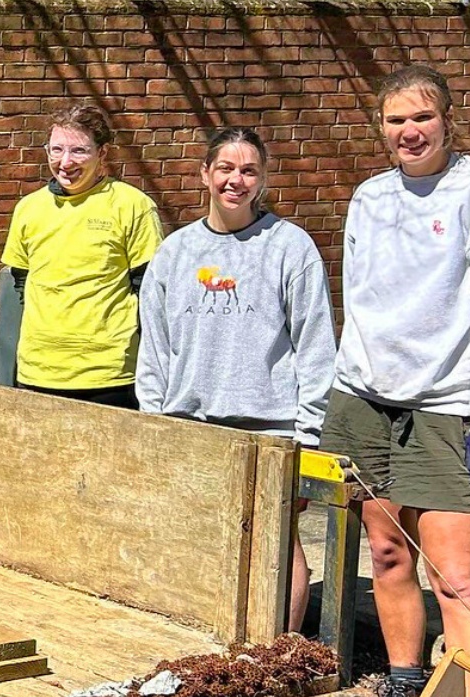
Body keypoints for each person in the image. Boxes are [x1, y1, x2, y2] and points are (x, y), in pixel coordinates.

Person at [320, 64, 470, 697]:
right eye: (396, 120)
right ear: (381, 127)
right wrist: (342, 386)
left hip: (448, 407)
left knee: (456, 576)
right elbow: (360, 301)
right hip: (365, 403)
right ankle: (405, 688)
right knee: (388, 554)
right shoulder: (370, 198)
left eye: (423, 117)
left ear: (447, 120)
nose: (410, 131)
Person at [136, 127, 335, 632]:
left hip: (269, 427)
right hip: (190, 426)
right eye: (225, 168)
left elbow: (315, 347)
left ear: (263, 179)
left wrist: (310, 434)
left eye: (249, 170)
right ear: (205, 174)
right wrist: (154, 421)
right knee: (196, 546)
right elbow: (154, 347)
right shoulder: (176, 252)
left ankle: (278, 655)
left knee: (278, 547)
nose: (236, 180)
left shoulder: (290, 247)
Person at [2, 104, 164, 408]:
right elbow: (21, 282)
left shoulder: (134, 206)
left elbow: (150, 293)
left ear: (102, 153)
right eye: (57, 150)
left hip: (109, 375)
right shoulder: (28, 209)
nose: (65, 162)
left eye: (79, 151)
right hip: (38, 371)